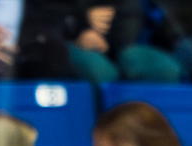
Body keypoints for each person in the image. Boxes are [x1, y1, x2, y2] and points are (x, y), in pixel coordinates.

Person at [23, 0, 183, 84]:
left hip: (112, 45)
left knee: (160, 67)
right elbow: (38, 20)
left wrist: (105, 38)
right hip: (57, 45)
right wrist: (80, 26)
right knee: (96, 69)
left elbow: (129, 17)